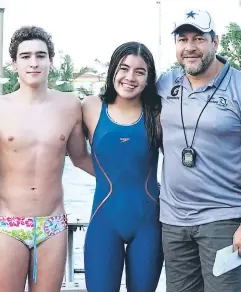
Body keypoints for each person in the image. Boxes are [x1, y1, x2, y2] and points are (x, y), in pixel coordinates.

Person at [0, 26, 94, 292]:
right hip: (9, 222)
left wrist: (127, 177)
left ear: (51, 61)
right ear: (14, 64)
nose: (34, 62)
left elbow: (81, 158)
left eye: (41, 55)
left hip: (52, 223)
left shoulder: (70, 105)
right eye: (25, 56)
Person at [157, 9, 241, 292]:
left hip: (225, 222)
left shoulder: (240, 88)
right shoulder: (165, 85)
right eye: (182, 39)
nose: (190, 47)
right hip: (173, 222)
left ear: (215, 42)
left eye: (199, 39)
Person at [82, 42, 163, 292]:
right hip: (104, 221)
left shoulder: (157, 112)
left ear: (149, 78)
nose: (130, 77)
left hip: (149, 223)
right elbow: (76, 156)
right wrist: (115, 177)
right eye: (124, 68)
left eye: (140, 72)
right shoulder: (91, 107)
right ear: (113, 71)